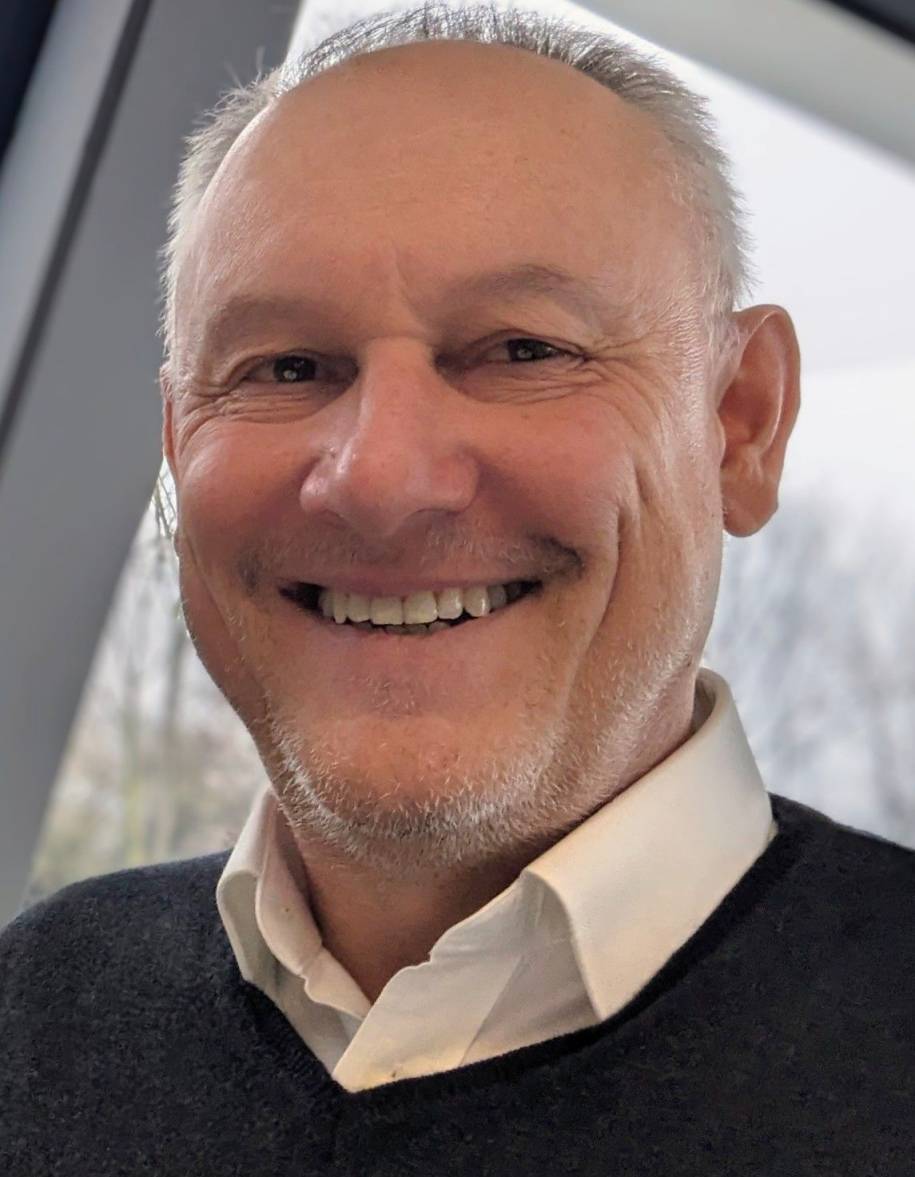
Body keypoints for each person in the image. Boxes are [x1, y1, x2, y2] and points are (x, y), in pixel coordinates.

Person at [2, 4, 912, 1173]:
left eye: (525, 350)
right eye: (287, 366)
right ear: (179, 446)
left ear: (740, 424)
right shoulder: (37, 1007)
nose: (380, 479)